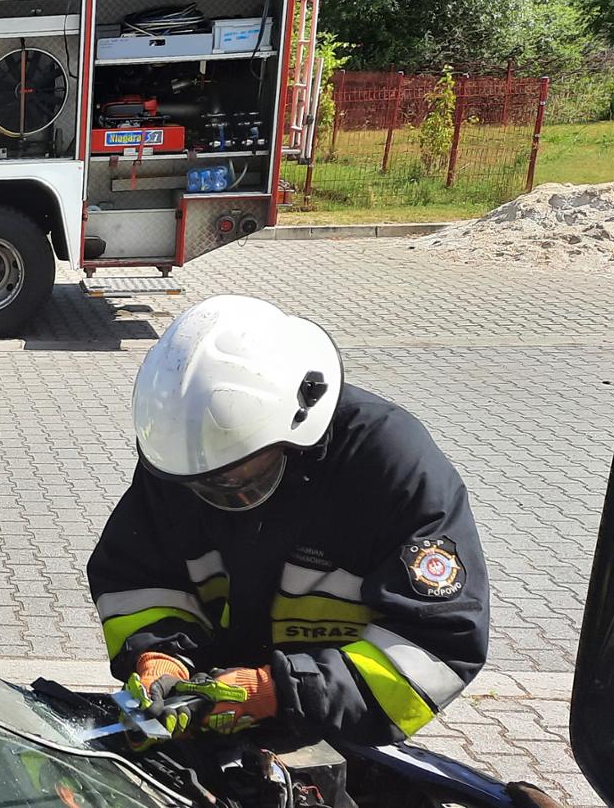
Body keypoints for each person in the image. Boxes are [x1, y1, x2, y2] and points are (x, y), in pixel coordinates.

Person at [87, 294, 488, 745]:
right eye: (206, 483)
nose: (228, 491)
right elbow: (135, 582)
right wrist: (161, 656)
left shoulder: (392, 466)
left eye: (242, 473)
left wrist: (279, 691)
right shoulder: (183, 460)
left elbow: (436, 647)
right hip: (209, 718)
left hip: (338, 726)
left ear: (299, 430)